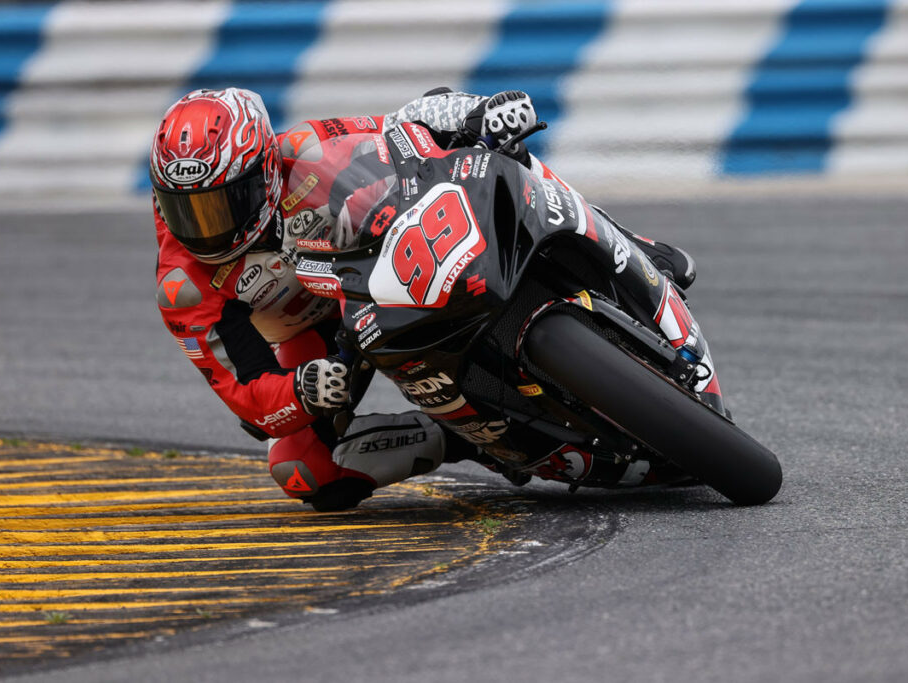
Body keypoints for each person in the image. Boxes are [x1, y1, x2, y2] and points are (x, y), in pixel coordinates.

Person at [149, 86, 696, 511]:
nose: (208, 228)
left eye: (224, 202)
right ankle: (470, 440)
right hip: (318, 339)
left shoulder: (307, 150)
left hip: (376, 259)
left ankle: (618, 239)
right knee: (304, 471)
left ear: (263, 170)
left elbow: (406, 124)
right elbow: (243, 388)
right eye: (188, 209)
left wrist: (478, 113)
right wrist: (302, 389)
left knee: (492, 148)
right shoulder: (184, 285)